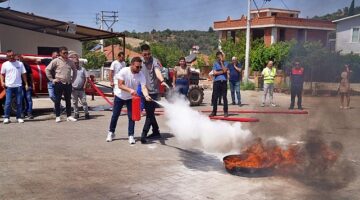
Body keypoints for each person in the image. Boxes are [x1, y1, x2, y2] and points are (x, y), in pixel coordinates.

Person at [106, 57, 152, 144]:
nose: (139, 69)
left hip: (130, 98)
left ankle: (131, 135)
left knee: (131, 117)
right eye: (137, 67)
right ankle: (111, 132)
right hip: (120, 96)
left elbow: (143, 87)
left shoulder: (141, 74)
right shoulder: (124, 71)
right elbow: (120, 85)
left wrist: (146, 95)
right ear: (132, 65)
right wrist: (130, 90)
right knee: (115, 115)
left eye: (140, 67)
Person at [139, 44, 169, 143]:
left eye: (148, 54)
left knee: (149, 114)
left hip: (153, 92)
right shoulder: (139, 61)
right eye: (145, 54)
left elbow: (157, 71)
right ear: (142, 53)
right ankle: (156, 131)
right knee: (150, 113)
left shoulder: (154, 61)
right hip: (144, 90)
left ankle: (143, 135)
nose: (147, 56)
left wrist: (162, 80)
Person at [45, 46, 77, 123]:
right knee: (57, 100)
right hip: (59, 83)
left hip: (68, 83)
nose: (66, 54)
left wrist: (72, 80)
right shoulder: (56, 61)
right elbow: (47, 69)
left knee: (68, 100)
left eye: (67, 52)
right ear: (60, 53)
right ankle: (58, 116)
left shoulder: (70, 61)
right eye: (64, 53)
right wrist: (52, 80)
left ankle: (69, 116)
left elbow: (75, 71)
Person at [0, 50, 28, 124]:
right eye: (9, 56)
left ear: (14, 55)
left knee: (19, 102)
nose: (11, 57)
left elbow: (24, 74)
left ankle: (19, 117)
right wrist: (2, 82)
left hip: (18, 86)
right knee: (8, 102)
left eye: (12, 55)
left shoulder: (20, 64)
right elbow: (2, 74)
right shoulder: (5, 64)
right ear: (7, 57)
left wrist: (26, 84)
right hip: (9, 86)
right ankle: (6, 117)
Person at [68, 51, 90, 119]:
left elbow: (87, 78)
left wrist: (84, 85)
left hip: (81, 89)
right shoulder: (71, 70)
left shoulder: (83, 69)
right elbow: (69, 79)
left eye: (77, 63)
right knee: (75, 103)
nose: (76, 64)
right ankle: (76, 114)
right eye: (75, 63)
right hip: (73, 89)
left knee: (84, 102)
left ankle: (86, 113)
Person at [209, 51, 228, 117]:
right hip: (216, 82)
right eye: (218, 57)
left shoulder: (226, 63)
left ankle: (225, 112)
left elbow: (225, 70)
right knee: (215, 97)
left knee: (224, 97)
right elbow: (214, 73)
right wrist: (222, 71)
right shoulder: (215, 63)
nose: (219, 58)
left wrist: (221, 63)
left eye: (220, 56)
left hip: (224, 82)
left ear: (222, 57)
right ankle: (214, 112)